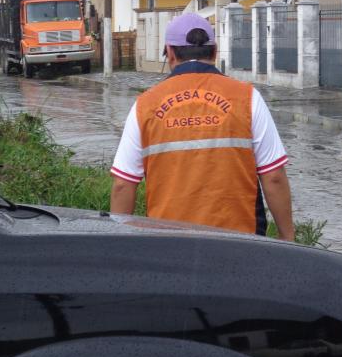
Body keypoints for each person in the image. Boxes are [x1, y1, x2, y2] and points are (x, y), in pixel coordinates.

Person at [110, 12, 294, 241]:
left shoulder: (144, 105)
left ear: (170, 53)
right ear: (215, 52)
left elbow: (122, 185)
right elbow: (274, 176)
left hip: (169, 247)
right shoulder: (247, 98)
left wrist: (117, 246)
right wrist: (288, 240)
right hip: (241, 246)